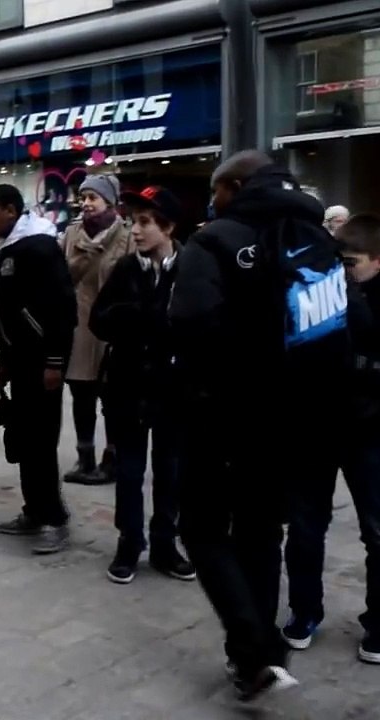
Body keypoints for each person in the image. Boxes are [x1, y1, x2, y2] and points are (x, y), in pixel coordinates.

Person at [170, 151, 349, 700]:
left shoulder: (215, 240)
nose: (212, 197)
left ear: (237, 186)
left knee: (201, 529)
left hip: (226, 416)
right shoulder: (317, 240)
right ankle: (255, 656)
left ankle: (253, 649)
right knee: (260, 533)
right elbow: (344, 323)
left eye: (217, 187)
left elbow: (189, 326)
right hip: (298, 418)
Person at [90, 186, 194, 584]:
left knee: (170, 472)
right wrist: (135, 316)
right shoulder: (126, 269)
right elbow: (98, 320)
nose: (136, 230)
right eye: (134, 222)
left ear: (167, 227)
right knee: (130, 472)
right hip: (128, 388)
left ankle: (166, 544)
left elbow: (205, 324)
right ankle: (129, 542)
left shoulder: (191, 267)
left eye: (145, 223)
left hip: (173, 390)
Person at [0, 184, 77, 555]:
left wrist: (55, 362)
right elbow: (8, 311)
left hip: (43, 364)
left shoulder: (39, 247)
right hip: (19, 361)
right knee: (23, 437)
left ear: (9, 210)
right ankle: (34, 510)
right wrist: (5, 360)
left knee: (40, 443)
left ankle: (55, 519)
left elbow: (63, 308)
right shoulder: (5, 247)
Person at [61, 174, 132, 485]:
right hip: (80, 325)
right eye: (84, 197)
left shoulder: (127, 236)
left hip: (113, 328)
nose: (86, 204)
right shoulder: (72, 234)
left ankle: (113, 458)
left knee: (112, 396)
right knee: (81, 394)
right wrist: (81, 256)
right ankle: (85, 456)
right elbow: (63, 279)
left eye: (93, 198)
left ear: (110, 203)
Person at [334, 213, 380, 664]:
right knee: (307, 525)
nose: (345, 271)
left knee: (376, 530)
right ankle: (303, 612)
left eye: (353, 263)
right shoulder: (334, 294)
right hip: (328, 424)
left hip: (369, 432)